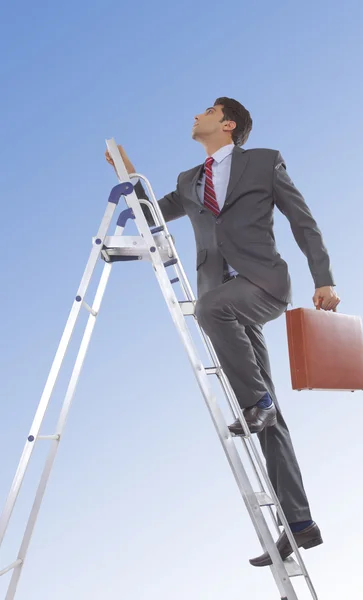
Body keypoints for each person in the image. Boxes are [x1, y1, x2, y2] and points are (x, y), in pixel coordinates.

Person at [105, 97, 340, 567]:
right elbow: (150, 208)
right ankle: (299, 523)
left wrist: (324, 278)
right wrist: (125, 169)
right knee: (268, 420)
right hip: (225, 301)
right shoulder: (188, 182)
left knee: (211, 313)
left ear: (228, 124)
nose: (196, 115)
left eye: (207, 110)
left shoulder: (265, 162)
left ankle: (258, 403)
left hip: (261, 285)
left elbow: (303, 220)